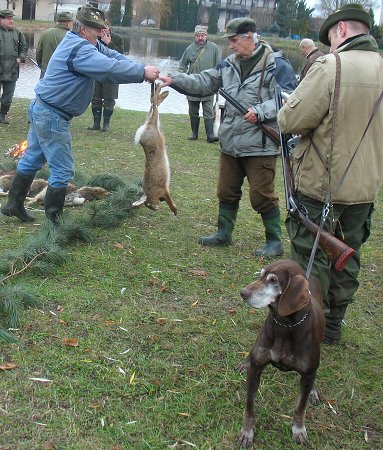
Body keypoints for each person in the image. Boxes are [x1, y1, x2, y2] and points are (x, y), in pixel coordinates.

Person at [277, 4, 383, 344]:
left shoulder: (330, 65)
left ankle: (308, 320)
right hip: (366, 188)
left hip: (319, 184)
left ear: (339, 32)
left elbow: (289, 121)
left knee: (311, 254)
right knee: (348, 254)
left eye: (332, 39)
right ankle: (333, 324)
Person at [1, 4, 160, 224]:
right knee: (63, 171)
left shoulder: (83, 42)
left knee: (32, 158)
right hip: (51, 116)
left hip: (42, 109)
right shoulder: (81, 49)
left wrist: (142, 67)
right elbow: (109, 69)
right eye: (97, 29)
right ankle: (53, 224)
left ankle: (13, 205)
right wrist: (142, 74)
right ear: (84, 29)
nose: (101, 33)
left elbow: (112, 56)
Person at [160, 18, 284, 257]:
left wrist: (260, 111)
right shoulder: (228, 65)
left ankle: (274, 242)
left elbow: (287, 99)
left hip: (260, 145)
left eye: (235, 40)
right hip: (231, 142)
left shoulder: (276, 65)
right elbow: (204, 81)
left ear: (250, 37)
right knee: (226, 191)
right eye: (229, 41)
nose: (232, 46)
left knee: (262, 195)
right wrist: (174, 80)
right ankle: (223, 233)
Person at [178, 25, 219, 143]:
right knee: (193, 110)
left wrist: (217, 82)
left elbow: (218, 67)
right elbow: (182, 66)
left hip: (208, 85)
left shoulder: (214, 48)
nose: (200, 38)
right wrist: (183, 79)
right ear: (195, 36)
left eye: (203, 35)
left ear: (206, 35)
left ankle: (210, 135)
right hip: (193, 85)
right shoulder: (189, 49)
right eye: (198, 35)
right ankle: (194, 133)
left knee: (208, 110)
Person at [88, 26, 124, 132]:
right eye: (101, 29)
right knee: (95, 98)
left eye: (105, 29)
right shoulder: (94, 38)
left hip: (112, 72)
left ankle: (106, 124)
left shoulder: (117, 38)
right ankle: (96, 124)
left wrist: (109, 43)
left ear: (109, 29)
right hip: (97, 71)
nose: (102, 31)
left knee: (109, 98)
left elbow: (121, 54)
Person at [0, 9, 28, 124]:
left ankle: (2, 115)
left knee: (8, 97)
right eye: (8, 18)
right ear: (1, 20)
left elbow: (24, 47)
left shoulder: (18, 33)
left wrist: (20, 57)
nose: (11, 21)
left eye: (12, 18)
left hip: (12, 71)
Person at [36, 11, 74, 79]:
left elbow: (38, 54)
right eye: (71, 22)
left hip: (45, 75)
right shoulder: (72, 37)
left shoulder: (45, 33)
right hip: (62, 78)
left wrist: (43, 67)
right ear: (68, 23)